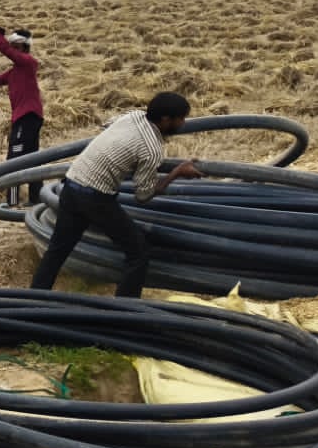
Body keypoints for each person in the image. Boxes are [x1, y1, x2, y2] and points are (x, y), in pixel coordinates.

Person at [30, 92, 204, 299]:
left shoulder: (133, 116)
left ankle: (34, 299)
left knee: (57, 251)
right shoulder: (152, 149)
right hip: (95, 199)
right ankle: (124, 308)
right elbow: (143, 195)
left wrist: (120, 157)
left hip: (71, 184)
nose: (183, 123)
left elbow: (107, 126)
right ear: (166, 120)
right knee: (138, 252)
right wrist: (177, 172)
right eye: (181, 119)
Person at [0, 11, 43, 205]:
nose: (12, 48)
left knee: (14, 159)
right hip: (27, 117)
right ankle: (36, 200)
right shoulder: (16, 71)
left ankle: (12, 203)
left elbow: (4, 49)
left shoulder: (28, 63)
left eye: (15, 46)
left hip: (27, 117)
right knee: (32, 159)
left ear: (23, 46)